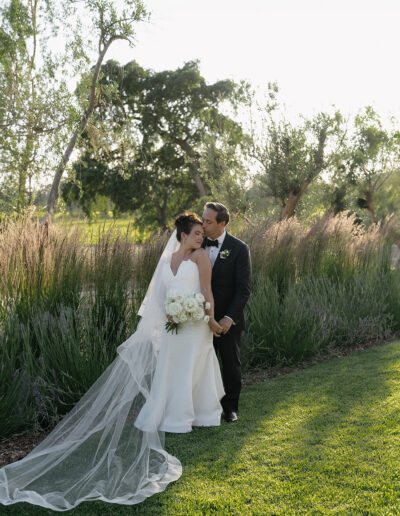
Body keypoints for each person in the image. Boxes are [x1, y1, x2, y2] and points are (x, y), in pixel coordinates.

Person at [0, 212, 225, 512]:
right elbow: (159, 295)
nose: (201, 237)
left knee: (195, 366)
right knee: (173, 369)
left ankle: (198, 415)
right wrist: (168, 314)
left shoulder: (201, 259)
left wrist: (209, 320)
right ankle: (172, 415)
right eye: (197, 233)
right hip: (174, 325)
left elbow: (206, 291)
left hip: (195, 323)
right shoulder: (167, 259)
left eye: (202, 233)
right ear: (183, 234)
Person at [202, 202, 251, 423]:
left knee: (231, 365)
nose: (203, 224)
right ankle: (203, 407)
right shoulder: (196, 243)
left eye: (208, 221)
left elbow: (243, 289)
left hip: (228, 321)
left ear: (222, 223)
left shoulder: (240, 248)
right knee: (201, 364)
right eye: (203, 220)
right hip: (200, 320)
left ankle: (230, 408)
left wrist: (228, 318)